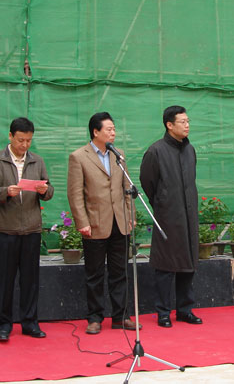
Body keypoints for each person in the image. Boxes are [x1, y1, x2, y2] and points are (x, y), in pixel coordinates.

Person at [0, 117, 54, 342]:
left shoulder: (37, 161)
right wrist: (5, 192)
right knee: (5, 280)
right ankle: (3, 324)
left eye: (29, 141)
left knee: (30, 280)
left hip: (31, 229)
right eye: (21, 140)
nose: (24, 145)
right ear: (10, 136)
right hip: (6, 229)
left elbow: (49, 190)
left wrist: (44, 190)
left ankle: (30, 322)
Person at [67, 112, 139, 334]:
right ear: (95, 132)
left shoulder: (119, 155)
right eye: (109, 129)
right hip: (95, 223)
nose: (113, 133)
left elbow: (127, 188)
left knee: (120, 272)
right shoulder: (79, 157)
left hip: (120, 221)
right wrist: (82, 221)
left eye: (114, 129)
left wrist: (131, 215)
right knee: (95, 274)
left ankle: (121, 316)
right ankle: (95, 318)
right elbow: (75, 194)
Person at [140, 105, 201, 328]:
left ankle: (185, 309)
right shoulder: (155, 151)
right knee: (166, 266)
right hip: (167, 215)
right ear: (169, 125)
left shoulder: (190, 150)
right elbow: (147, 182)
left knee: (188, 264)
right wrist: (162, 202)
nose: (187, 125)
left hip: (189, 214)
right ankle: (163, 312)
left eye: (188, 121)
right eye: (182, 122)